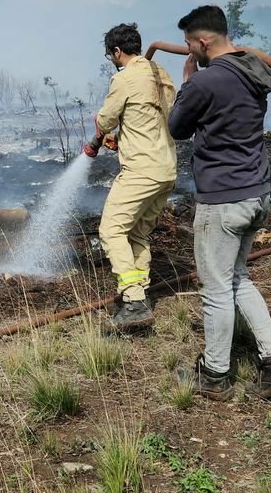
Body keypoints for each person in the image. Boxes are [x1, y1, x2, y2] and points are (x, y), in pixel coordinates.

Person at [167, 5, 271, 400]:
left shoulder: (206, 82)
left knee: (215, 288)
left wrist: (188, 81)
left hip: (223, 200)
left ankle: (214, 375)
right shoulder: (253, 71)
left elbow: (177, 128)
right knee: (238, 278)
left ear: (203, 41)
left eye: (191, 45)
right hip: (257, 193)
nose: (189, 51)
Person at [93, 23, 178, 332]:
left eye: (110, 55)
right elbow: (154, 119)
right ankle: (139, 294)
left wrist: (101, 127)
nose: (112, 60)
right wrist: (124, 138)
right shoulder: (162, 75)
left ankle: (133, 301)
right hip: (166, 169)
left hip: (141, 170)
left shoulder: (124, 78)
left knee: (111, 230)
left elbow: (105, 119)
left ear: (117, 51)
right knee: (138, 233)